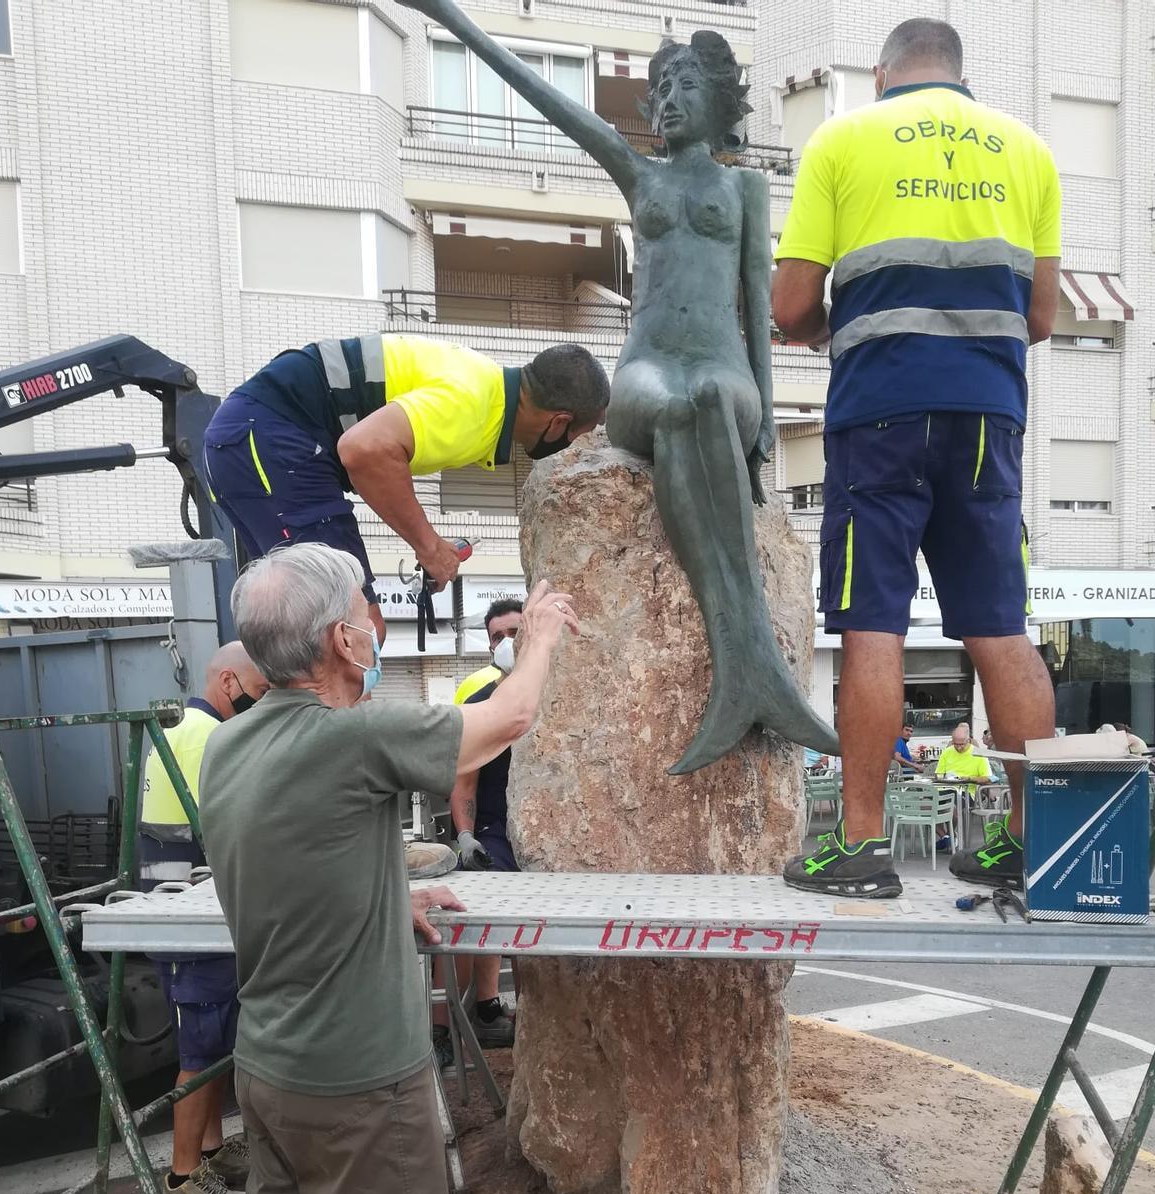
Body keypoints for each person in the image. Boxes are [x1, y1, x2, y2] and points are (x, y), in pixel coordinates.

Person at [199, 543, 578, 1194]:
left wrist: (385, 900)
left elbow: (290, 865)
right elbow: (503, 723)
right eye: (368, 603)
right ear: (342, 638)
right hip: (359, 1084)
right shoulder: (350, 737)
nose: (378, 615)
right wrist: (535, 637)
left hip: (269, 1069)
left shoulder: (232, 749)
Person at [396, 0, 837, 772]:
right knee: (675, 405)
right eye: (659, 89)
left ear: (723, 104)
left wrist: (764, 420)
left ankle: (747, 670)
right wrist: (451, 20)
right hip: (646, 367)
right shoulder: (641, 175)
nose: (667, 101)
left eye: (685, 86)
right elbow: (545, 96)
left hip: (721, 366)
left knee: (708, 403)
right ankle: (749, 660)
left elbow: (756, 296)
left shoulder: (746, 190)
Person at [775, 17, 1060, 897]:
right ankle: (1031, 840)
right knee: (1000, 627)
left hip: (882, 412)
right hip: (988, 420)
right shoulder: (1030, 152)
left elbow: (789, 306)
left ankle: (861, 847)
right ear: (958, 74)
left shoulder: (843, 137)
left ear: (882, 72)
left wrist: (839, 330)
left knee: (874, 623)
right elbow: (1042, 318)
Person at [204, 335, 608, 636]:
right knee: (355, 629)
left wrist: (428, 542)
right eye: (581, 434)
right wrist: (428, 546)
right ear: (558, 422)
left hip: (251, 441)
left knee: (291, 629)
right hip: (272, 440)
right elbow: (364, 450)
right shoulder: (474, 404)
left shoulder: (482, 386)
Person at [139, 641, 267, 1194]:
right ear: (227, 681)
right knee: (199, 1049)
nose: (259, 703)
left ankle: (213, 1152)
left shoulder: (185, 726)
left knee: (212, 1044)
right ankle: (185, 1176)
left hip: (187, 911)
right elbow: (233, 825)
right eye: (258, 692)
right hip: (190, 918)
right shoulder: (208, 736)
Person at [446, 599, 524, 1050]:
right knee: (463, 910)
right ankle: (463, 1019)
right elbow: (464, 780)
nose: (506, 644)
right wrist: (465, 836)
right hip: (497, 832)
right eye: (498, 637)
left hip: (552, 838)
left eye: (515, 633)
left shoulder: (567, 698)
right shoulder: (480, 705)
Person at [933, 722, 992, 851]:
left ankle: (949, 838)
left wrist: (970, 778)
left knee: (952, 810)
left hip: (965, 792)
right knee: (924, 807)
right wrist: (942, 778)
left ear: (968, 740)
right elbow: (939, 774)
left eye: (962, 744)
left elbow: (988, 778)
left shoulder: (978, 754)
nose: (958, 748)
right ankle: (947, 837)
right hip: (944, 788)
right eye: (956, 744)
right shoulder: (947, 752)